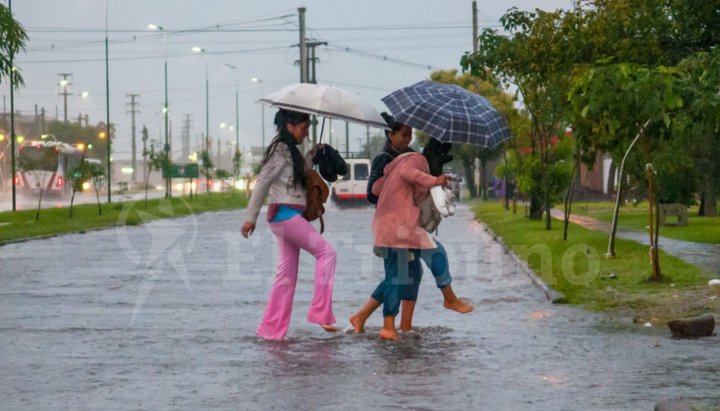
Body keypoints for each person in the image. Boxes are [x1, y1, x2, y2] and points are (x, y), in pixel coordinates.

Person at [349, 114, 472, 339]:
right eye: (404, 134)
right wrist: (398, 185)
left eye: (410, 134)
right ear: (390, 134)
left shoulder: (410, 155)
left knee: (412, 273)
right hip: (394, 224)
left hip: (406, 223)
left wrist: (427, 178)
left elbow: (415, 182)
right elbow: (373, 193)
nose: (408, 138)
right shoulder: (385, 158)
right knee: (400, 274)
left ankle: (397, 324)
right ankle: (387, 323)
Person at [241, 108, 338, 340]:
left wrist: (313, 154)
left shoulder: (289, 150)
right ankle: (321, 312)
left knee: (286, 277)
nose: (305, 133)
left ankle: (271, 331)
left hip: (286, 216)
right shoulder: (280, 150)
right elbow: (263, 183)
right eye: (303, 128)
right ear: (290, 126)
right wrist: (249, 218)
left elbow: (298, 172)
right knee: (327, 253)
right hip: (284, 215)